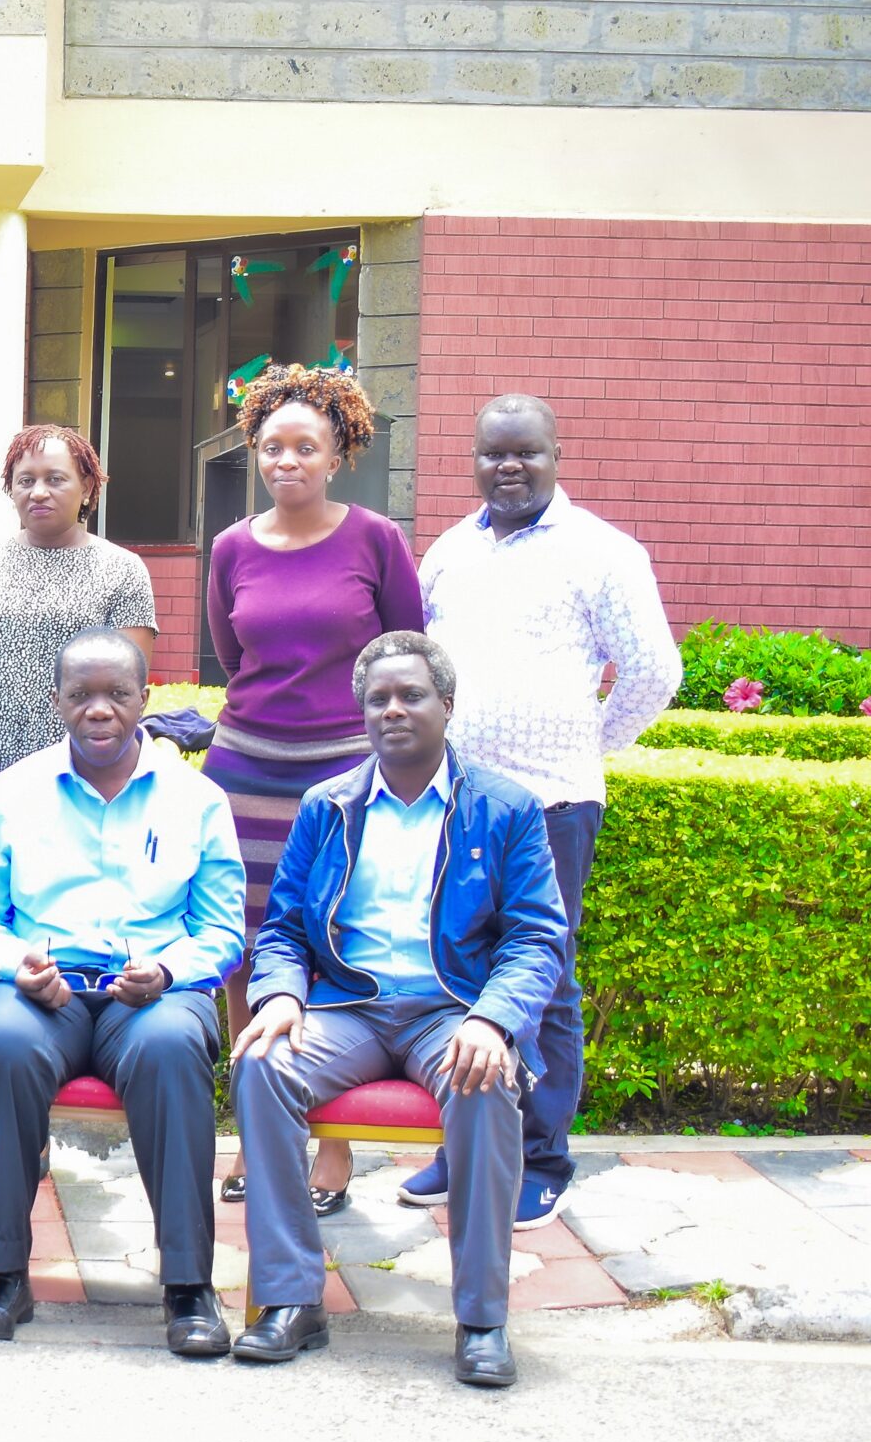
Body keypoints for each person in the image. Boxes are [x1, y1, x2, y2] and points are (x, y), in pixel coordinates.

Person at [230, 631, 568, 1388]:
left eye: (411, 695)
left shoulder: (504, 808)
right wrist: (280, 992)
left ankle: (482, 1319)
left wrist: (493, 1019)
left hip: (453, 1009)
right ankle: (290, 1299)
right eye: (378, 698)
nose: (393, 710)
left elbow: (537, 937)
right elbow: (283, 927)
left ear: (446, 705)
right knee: (261, 1063)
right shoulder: (327, 806)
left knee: (486, 1078)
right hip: (349, 1006)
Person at [413, 394, 681, 1228]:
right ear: (473, 460)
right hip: (457, 800)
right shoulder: (449, 552)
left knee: (546, 976)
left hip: (552, 800)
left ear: (556, 454)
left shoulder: (603, 551)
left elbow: (654, 670)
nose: (509, 466)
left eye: (526, 451)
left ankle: (541, 1155)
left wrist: (588, 743)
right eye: (493, 453)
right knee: (456, 967)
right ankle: (464, 1142)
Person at [0, 628, 245, 1355]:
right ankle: (2, 1274)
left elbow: (222, 929)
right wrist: (17, 964)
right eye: (81, 694)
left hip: (151, 994)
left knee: (172, 1047)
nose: (99, 709)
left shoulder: (197, 799)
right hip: (42, 990)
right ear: (57, 701)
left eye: (117, 693)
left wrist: (168, 971)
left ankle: (188, 1284)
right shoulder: (12, 794)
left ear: (144, 698)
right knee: (4, 1043)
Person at [0, 422, 155, 1184]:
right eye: (25, 479)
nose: (39, 491)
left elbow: (125, 690)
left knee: (54, 942)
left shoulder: (121, 571)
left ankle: (26, 1120)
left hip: (81, 794)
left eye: (56, 478)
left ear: (89, 486)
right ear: (8, 489)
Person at [204, 365, 423, 1216]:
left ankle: (332, 1140)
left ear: (338, 455)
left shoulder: (376, 539)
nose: (286, 461)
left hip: (346, 773)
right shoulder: (231, 547)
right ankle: (254, 1132)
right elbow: (231, 654)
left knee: (332, 940)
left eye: (305, 447)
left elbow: (405, 651)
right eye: (272, 447)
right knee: (243, 947)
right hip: (246, 769)